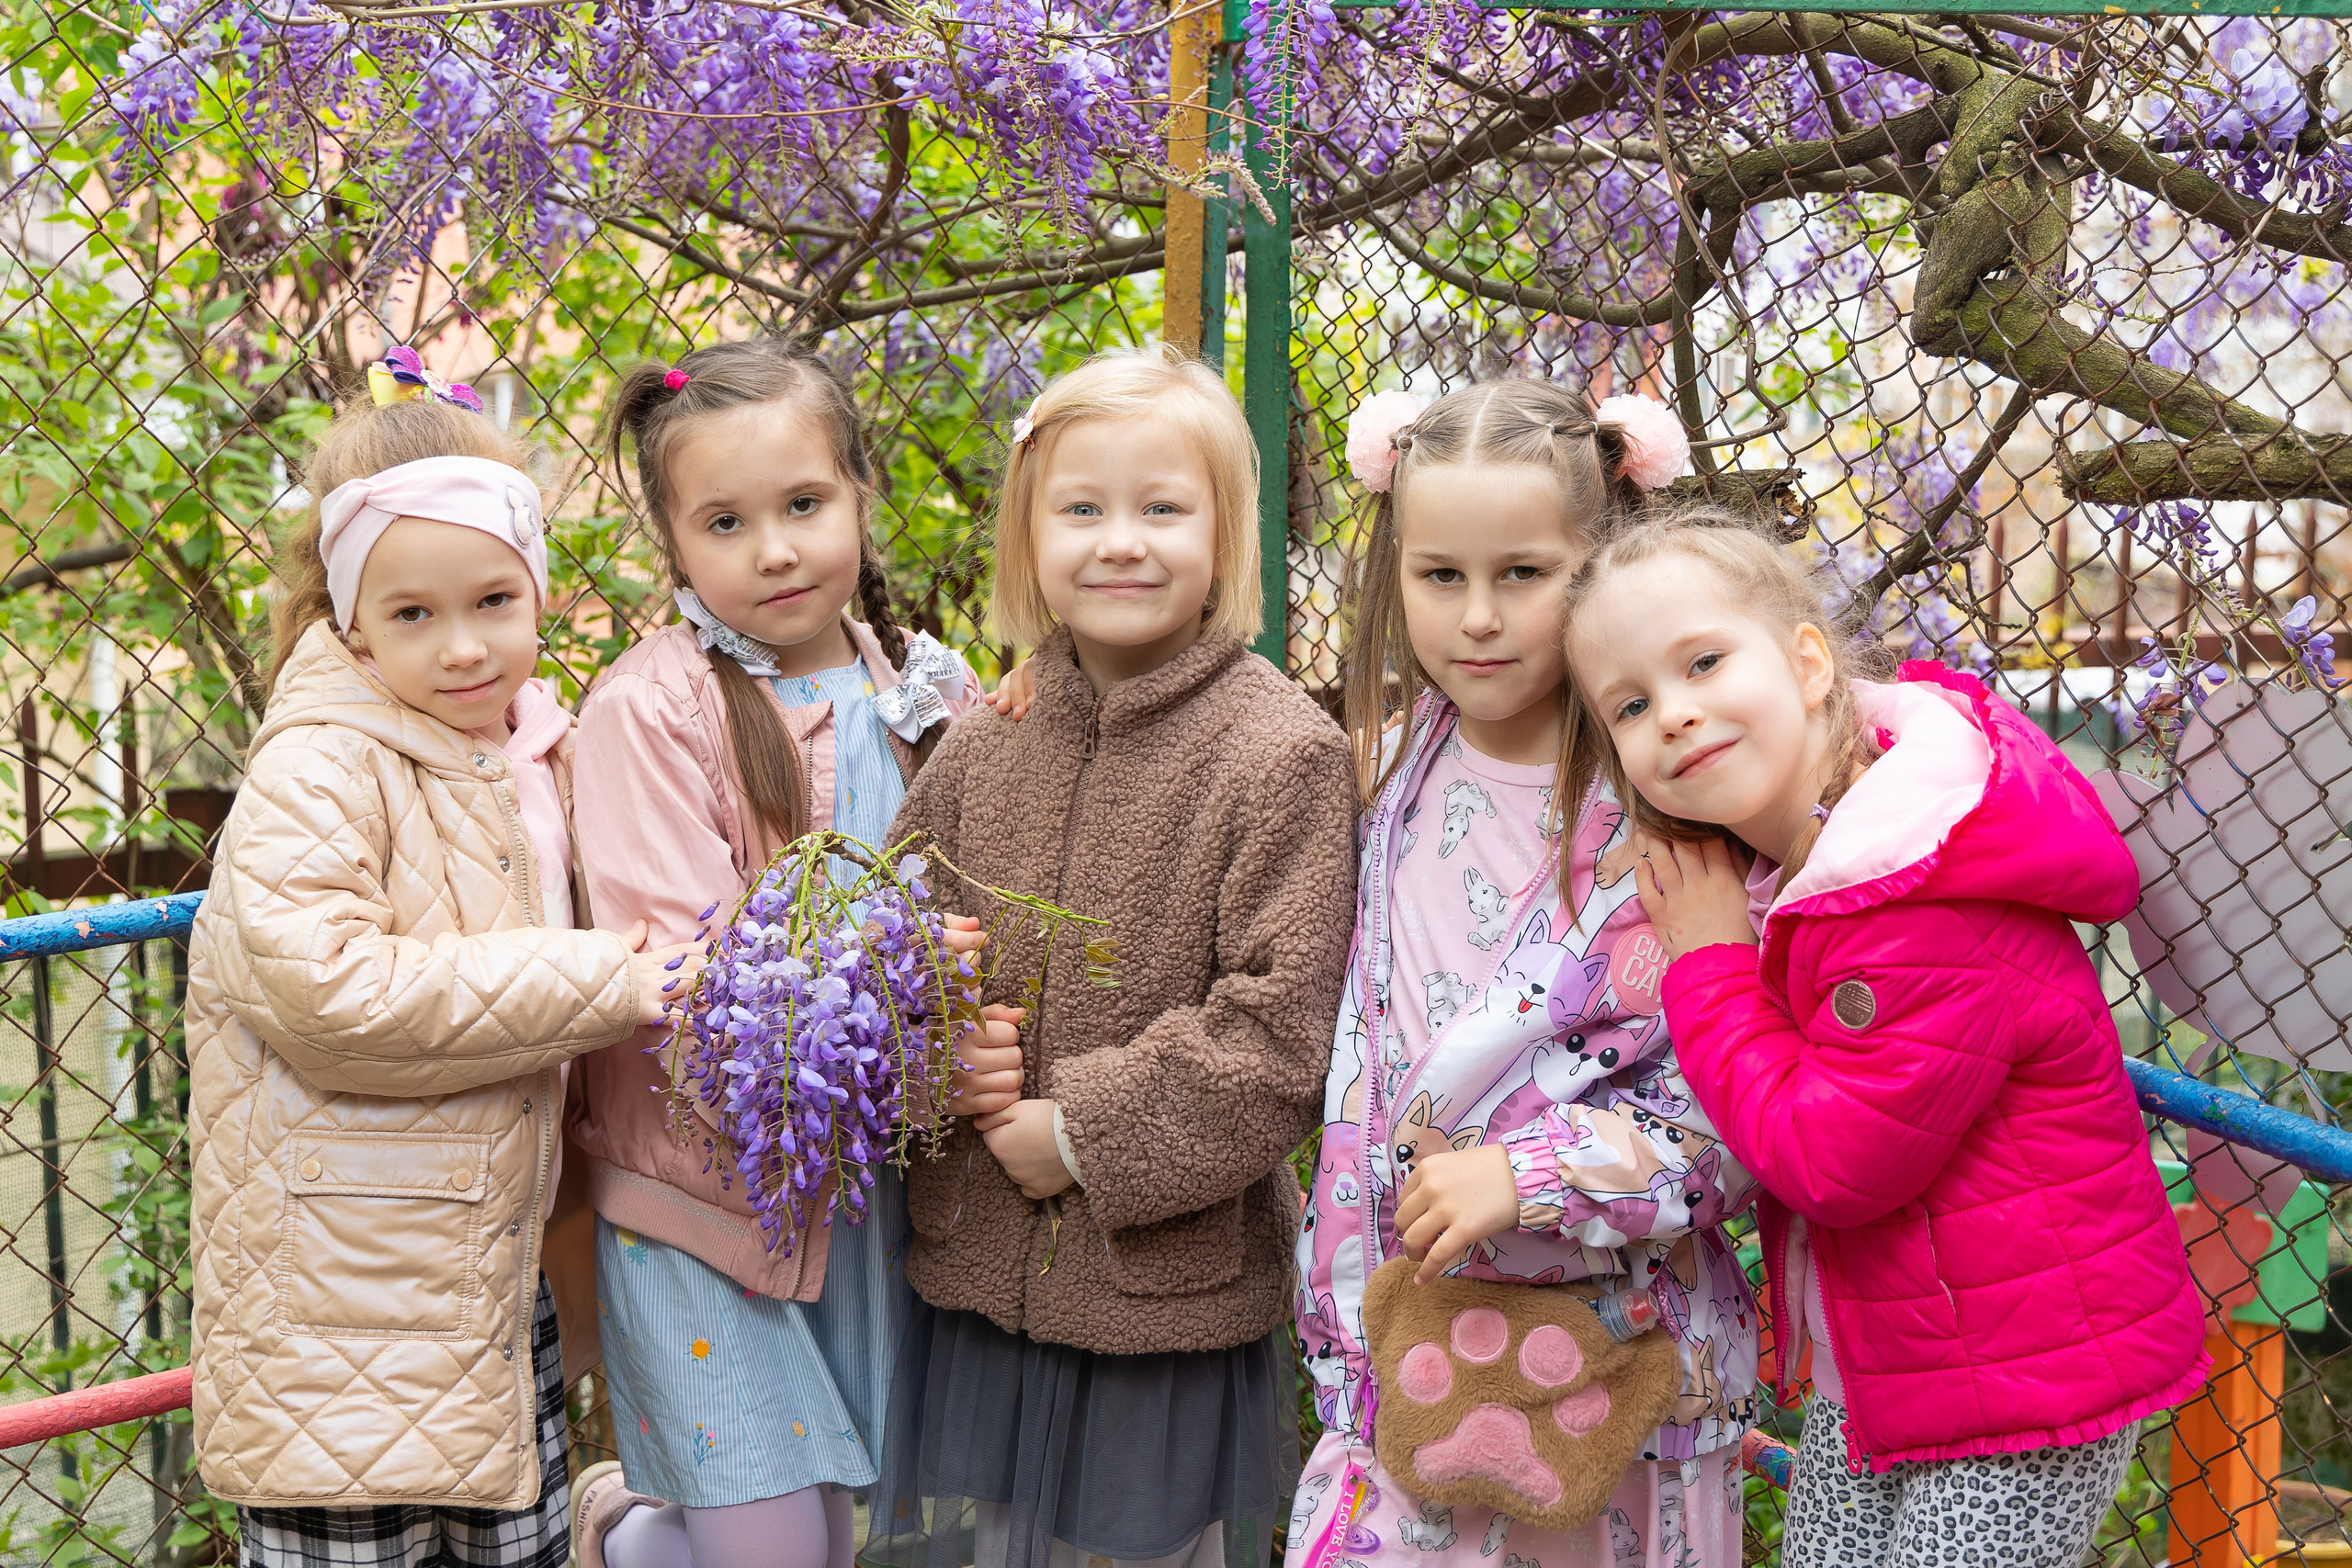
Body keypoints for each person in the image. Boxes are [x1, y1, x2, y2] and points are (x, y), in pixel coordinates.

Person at [1562, 505, 2208, 1567]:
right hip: (1902, 1357)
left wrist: (1709, 964)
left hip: (2018, 1381)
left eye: (1705, 662)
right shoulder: (1813, 871)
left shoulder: (1910, 890)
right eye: (1631, 703)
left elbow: (1832, 1159)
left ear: (1809, 662)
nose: (1673, 715)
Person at [184, 362, 699, 1568]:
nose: (464, 645)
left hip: (484, 1278)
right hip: (340, 1300)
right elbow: (333, 996)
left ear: (536, 589)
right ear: (349, 617)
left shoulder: (541, 749)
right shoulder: (319, 766)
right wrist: (604, 982)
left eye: (493, 600)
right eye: (414, 613)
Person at [865, 344, 1358, 1568]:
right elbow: (889, 960)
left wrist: (1071, 1130)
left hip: (1161, 1295)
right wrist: (948, 1055)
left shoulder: (1275, 751)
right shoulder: (987, 743)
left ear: (1225, 536)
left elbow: (1274, 1034)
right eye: (1082, 509)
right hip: (986, 1281)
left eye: (1163, 508)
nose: (1121, 541)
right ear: (1031, 535)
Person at [1288, 383, 1760, 1568]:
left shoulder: (1681, 815)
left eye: (1525, 574)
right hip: (1403, 1360)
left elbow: (1738, 1108)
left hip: (1619, 1366)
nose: (1479, 619)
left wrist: (1533, 1175)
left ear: (1598, 565)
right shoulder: (1374, 775)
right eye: (1441, 576)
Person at [566, 338, 1001, 1568]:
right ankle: (633, 1523)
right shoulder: (647, 708)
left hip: (861, 1184)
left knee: (826, 1525)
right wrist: (904, 955)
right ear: (673, 541)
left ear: (861, 490)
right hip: (707, 1194)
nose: (774, 549)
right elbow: (684, 965)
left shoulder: (930, 688)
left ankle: (635, 1535)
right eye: (725, 520)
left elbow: (989, 891)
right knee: (780, 1542)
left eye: (804, 504)